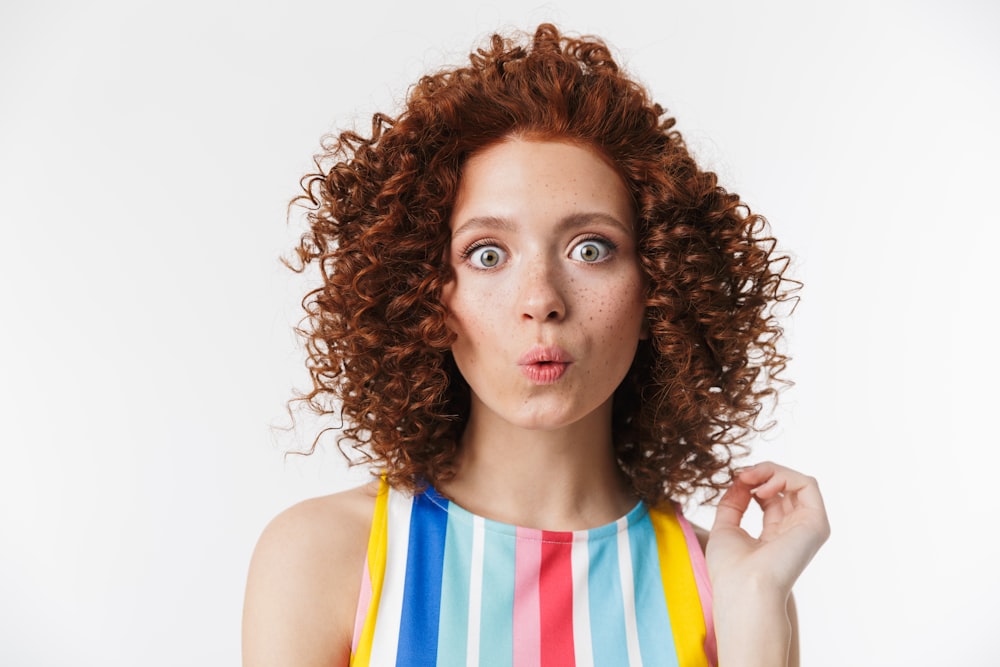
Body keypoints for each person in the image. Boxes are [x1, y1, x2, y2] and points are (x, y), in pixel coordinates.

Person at [242, 23, 829, 667]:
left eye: (591, 249)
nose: (541, 297)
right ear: (427, 297)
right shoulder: (323, 558)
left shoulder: (730, 585)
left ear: (657, 289)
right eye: (487, 254)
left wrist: (756, 626)